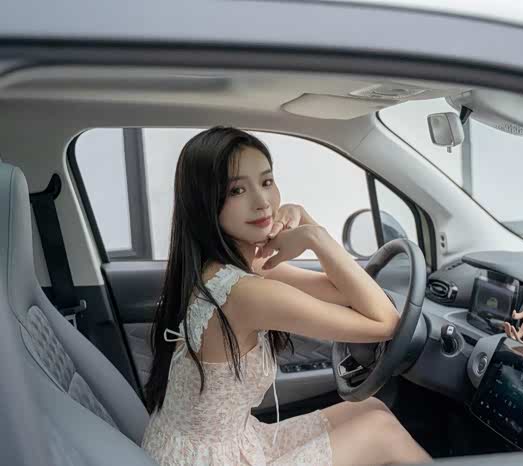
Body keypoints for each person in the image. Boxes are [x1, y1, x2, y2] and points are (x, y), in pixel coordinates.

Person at [141, 126, 432, 465]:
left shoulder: (226, 269)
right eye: (237, 190)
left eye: (266, 182)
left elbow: (345, 293)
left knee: (371, 409)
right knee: (383, 434)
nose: (262, 201)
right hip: (207, 460)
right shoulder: (245, 293)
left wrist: (306, 220)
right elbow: (386, 322)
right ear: (205, 203)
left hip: (214, 445)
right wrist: (315, 238)